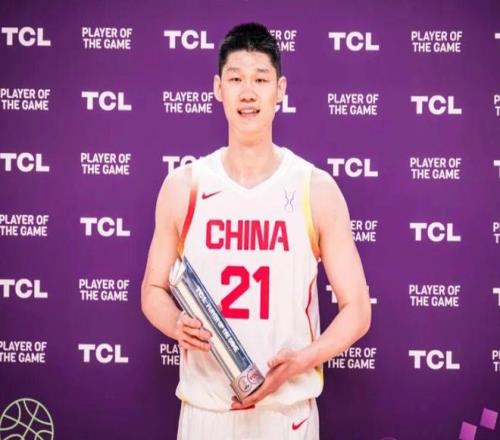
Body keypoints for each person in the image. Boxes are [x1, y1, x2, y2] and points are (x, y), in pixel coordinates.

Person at [141, 22, 371, 439]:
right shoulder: (184, 186)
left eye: (261, 80)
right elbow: (153, 290)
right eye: (235, 79)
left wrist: (302, 360)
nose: (248, 92)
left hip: (286, 415)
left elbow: (357, 309)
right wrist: (176, 323)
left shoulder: (314, 188)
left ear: (280, 90)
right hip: (207, 410)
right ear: (218, 88)